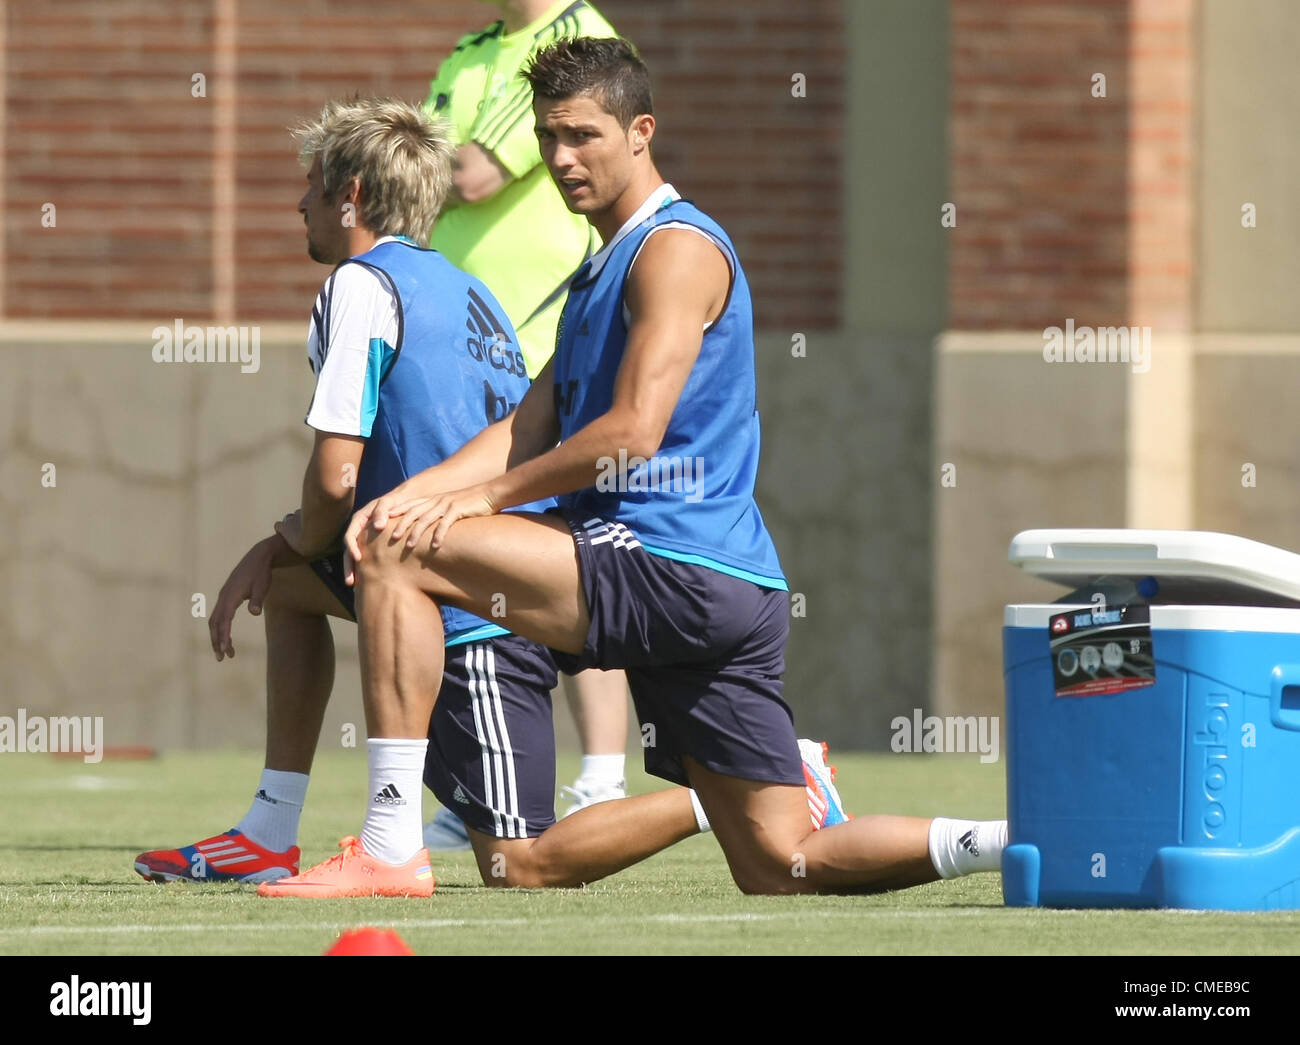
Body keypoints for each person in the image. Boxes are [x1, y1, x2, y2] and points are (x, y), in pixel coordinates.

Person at [268, 38, 1006, 897]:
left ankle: (390, 845)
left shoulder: (675, 250)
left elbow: (632, 431)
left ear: (641, 131)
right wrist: (420, 494)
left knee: (400, 550)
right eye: (548, 137)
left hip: (669, 561)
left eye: (583, 135)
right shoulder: (597, 272)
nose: (560, 158)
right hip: (721, 586)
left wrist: (466, 507)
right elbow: (525, 425)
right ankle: (1013, 839)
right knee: (781, 862)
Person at [421, 0, 631, 852]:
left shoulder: (573, 40)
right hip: (463, 339)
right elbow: (437, 165)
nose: (562, 153)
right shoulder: (469, 52)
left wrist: (413, 165)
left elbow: (467, 174)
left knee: (574, 550)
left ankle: (604, 775)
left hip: (539, 337)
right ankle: (484, 779)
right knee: (469, 557)